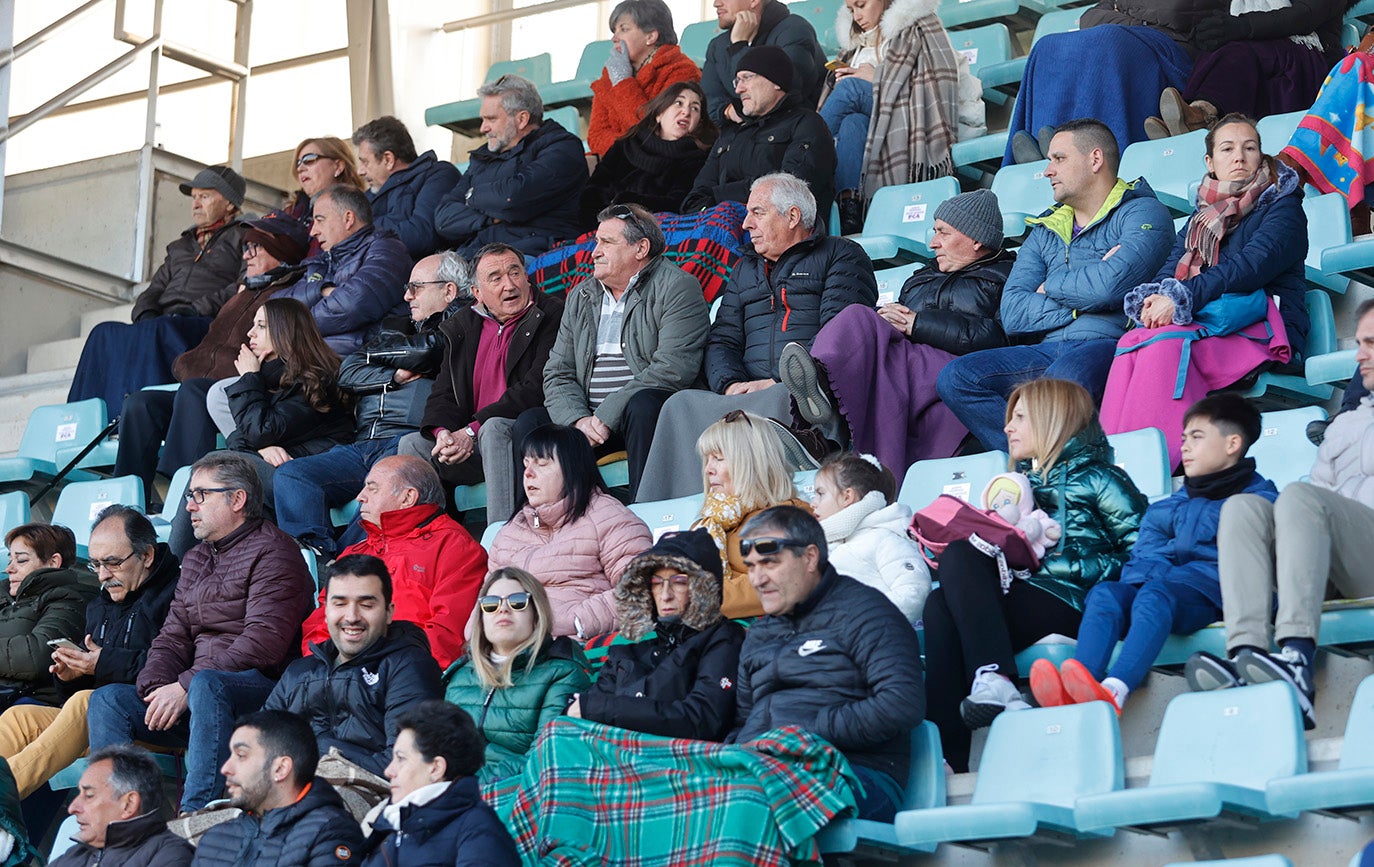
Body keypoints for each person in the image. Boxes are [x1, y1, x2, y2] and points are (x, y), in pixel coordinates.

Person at [923, 379, 1146, 772]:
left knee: (953, 589)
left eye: (1020, 417)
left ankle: (993, 684)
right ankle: (947, 760)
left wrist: (1072, 566)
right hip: (1030, 593)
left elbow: (1143, 555)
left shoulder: (1101, 478)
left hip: (1076, 600)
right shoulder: (1014, 489)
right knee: (941, 599)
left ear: (1052, 420)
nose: (1007, 427)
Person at [86, 452, 315, 814]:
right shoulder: (195, 558)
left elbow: (264, 644)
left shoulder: (276, 552)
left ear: (237, 500)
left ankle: (198, 815)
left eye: (200, 495)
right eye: (189, 496)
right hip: (199, 694)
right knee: (108, 700)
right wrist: (156, 687)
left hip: (261, 693)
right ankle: (125, 819)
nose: (189, 506)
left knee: (210, 683)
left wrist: (185, 685)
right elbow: (172, 636)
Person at [1185, 300, 1374, 730]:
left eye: (1371, 344)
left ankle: (1296, 659)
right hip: (1343, 550)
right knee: (1244, 508)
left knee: (1299, 497)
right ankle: (1247, 656)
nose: (1359, 354)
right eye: (1359, 343)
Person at [936, 119, 1174, 452]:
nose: (1048, 170)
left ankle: (1059, 468)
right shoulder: (1047, 227)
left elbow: (1109, 287)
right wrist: (1090, 290)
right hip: (1046, 349)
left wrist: (1050, 286)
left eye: (1058, 158)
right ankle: (1032, 463)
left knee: (1061, 382)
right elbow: (1014, 312)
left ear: (1095, 160)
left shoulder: (1144, 212)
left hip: (1111, 344)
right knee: (956, 378)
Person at [637, 173, 877, 502]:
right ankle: (663, 515)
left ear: (793, 216)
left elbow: (841, 332)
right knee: (678, 405)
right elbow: (722, 339)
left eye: (757, 213)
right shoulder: (744, 269)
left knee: (783, 395)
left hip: (802, 387)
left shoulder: (842, 254)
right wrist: (730, 383)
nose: (746, 223)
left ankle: (804, 456)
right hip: (747, 390)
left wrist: (779, 379)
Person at [1032, 394, 1275, 715]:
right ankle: (1084, 682)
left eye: (1197, 437)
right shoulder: (1167, 507)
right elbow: (1142, 562)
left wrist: (1164, 579)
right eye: (1184, 437)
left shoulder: (1258, 502)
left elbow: (1246, 568)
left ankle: (1115, 690)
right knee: (1106, 593)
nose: (1185, 446)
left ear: (1232, 444)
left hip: (1212, 597)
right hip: (1163, 593)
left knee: (1153, 595)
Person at [1101, 114, 1308, 467]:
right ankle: (1114, 462)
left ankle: (1161, 464)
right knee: (1131, 342)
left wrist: (1181, 298)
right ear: (1211, 163)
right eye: (1227, 149)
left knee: (1166, 343)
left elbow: (1249, 268)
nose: (1239, 157)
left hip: (1262, 326)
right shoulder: (1201, 218)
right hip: (1210, 323)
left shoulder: (1284, 207)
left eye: (1250, 148)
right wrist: (1155, 298)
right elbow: (1171, 267)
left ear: (1261, 156)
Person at [780, 188, 1013, 484]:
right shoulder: (924, 276)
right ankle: (822, 398)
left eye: (943, 232)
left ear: (975, 238)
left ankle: (824, 426)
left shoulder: (1006, 276)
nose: (932, 243)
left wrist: (918, 324)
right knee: (861, 319)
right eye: (934, 231)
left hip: (962, 366)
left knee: (863, 331)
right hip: (911, 362)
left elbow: (998, 336)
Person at [730, 505, 924, 821]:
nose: (757, 579)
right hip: (766, 769)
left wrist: (806, 733)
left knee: (750, 802)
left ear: (809, 557)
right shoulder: (759, 633)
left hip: (857, 772)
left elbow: (902, 703)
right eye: (750, 567)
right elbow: (742, 719)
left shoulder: (866, 612)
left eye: (769, 563)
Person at [272, 252, 470, 556]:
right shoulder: (395, 326)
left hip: (409, 440)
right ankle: (320, 558)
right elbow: (347, 371)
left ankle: (348, 561)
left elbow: (430, 350)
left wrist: (375, 354)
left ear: (449, 291)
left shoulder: (463, 324)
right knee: (292, 475)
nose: (407, 295)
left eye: (416, 287)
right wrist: (393, 377)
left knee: (379, 490)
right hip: (363, 444)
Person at [112, 212, 312, 506]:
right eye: (245, 247)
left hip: (245, 388)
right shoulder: (242, 292)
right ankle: (127, 502)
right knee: (140, 403)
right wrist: (185, 363)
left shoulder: (290, 295)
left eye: (256, 247)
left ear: (280, 252)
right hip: (200, 385)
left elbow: (283, 355)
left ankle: (188, 490)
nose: (247, 255)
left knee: (194, 392)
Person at [527, 204, 709, 499]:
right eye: (596, 242)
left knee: (644, 404)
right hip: (589, 424)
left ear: (640, 249)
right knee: (530, 424)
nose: (594, 251)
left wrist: (606, 415)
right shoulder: (581, 295)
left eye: (607, 243)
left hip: (639, 419)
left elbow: (674, 368)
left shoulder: (677, 286)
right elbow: (557, 372)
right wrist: (578, 421)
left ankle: (646, 511)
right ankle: (547, 526)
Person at [0, 507, 178, 798]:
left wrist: (101, 664)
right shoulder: (101, 604)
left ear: (146, 555)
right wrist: (72, 675)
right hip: (102, 719)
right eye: (96, 565)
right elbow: (75, 696)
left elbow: (171, 664)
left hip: (156, 720)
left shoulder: (176, 594)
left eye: (113, 563)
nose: (104, 576)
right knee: (20, 718)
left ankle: (3, 793)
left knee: (88, 702)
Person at [165, 297, 354, 558]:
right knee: (220, 484)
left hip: (307, 478)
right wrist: (264, 447)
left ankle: (174, 565)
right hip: (279, 473)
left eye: (261, 326)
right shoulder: (270, 379)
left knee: (213, 467)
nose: (250, 333)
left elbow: (258, 432)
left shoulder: (316, 379)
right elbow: (246, 438)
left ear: (284, 332)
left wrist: (249, 379)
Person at [398, 243, 565, 524]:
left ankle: (502, 537)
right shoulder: (463, 325)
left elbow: (536, 387)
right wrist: (443, 434)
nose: (509, 285)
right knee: (412, 445)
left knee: (494, 428)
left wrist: (471, 432)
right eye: (496, 278)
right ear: (477, 293)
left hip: (523, 435)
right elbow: (444, 392)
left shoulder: (552, 314)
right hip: (471, 440)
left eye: (515, 273)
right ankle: (436, 546)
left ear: (527, 277)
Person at [68, 165, 248, 409]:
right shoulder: (180, 246)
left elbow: (243, 286)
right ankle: (83, 418)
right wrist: (145, 313)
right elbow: (155, 289)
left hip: (205, 321)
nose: (195, 204)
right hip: (167, 322)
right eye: (194, 197)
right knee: (103, 333)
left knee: (158, 331)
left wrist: (196, 309)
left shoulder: (244, 236)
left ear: (229, 203)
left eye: (204, 196)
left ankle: (138, 417)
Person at [296, 457, 488, 668]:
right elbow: (318, 626)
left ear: (407, 498)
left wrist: (379, 673)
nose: (360, 497)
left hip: (409, 680)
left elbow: (448, 636)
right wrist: (330, 669)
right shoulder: (356, 552)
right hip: (341, 678)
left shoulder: (455, 547)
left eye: (372, 488)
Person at [265, 555, 441, 777]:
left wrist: (317, 753)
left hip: (370, 795)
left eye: (366, 605)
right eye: (340, 604)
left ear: (389, 612)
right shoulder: (299, 672)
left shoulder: (409, 667)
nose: (352, 617)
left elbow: (405, 763)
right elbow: (259, 749)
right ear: (326, 611)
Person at [573, 528, 746, 741]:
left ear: (702, 588)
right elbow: (582, 717)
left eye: (679, 582)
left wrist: (602, 708)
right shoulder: (628, 652)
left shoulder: (723, 640)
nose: (665, 595)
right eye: (656, 583)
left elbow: (703, 719)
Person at [488, 425, 653, 638]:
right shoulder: (509, 533)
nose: (528, 473)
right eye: (526, 464)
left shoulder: (607, 515)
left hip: (576, 649)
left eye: (542, 463)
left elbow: (641, 588)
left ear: (572, 468)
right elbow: (488, 598)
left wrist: (577, 621)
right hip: (512, 649)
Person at [819, 0, 967, 232]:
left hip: (909, 113)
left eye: (861, 5)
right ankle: (849, 208)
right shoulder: (854, 47)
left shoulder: (920, 25)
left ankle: (803, 146)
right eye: (850, 10)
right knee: (852, 123)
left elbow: (933, 86)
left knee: (850, 90)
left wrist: (877, 76)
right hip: (873, 124)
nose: (856, 16)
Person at [1003, 1, 1208, 164]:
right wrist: (1139, 17)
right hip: (1134, 36)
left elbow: (1175, 11)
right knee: (1045, 47)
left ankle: (1100, 154)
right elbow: (1090, 17)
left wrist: (1123, 10)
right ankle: (1054, 148)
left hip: (1173, 46)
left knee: (1110, 39)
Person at [442, 569, 590, 785]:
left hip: (516, 795)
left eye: (517, 601)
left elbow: (543, 761)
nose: (502, 609)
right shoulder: (460, 675)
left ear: (536, 615)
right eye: (491, 604)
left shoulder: (563, 673)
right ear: (481, 618)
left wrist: (462, 785)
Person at [434, 75, 588, 258]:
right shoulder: (484, 155)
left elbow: (512, 198)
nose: (483, 128)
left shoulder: (562, 147)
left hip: (534, 255)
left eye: (491, 119)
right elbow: (444, 219)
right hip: (478, 254)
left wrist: (471, 196)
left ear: (522, 119)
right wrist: (491, 217)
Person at [1146, 0, 1348, 138]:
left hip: (1309, 58)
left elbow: (1304, 16)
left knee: (1239, 53)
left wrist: (1242, 26)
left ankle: (1200, 116)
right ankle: (1188, 121)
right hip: (1261, 45)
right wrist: (1208, 31)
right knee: (1217, 52)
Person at [683, 46, 838, 221]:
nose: (738, 89)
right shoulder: (731, 131)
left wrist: (719, 198)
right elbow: (695, 197)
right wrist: (713, 211)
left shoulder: (807, 123)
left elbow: (792, 188)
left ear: (776, 82)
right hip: (721, 226)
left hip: (781, 234)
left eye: (746, 78)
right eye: (737, 81)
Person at [192, 711, 364, 866]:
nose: (225, 768)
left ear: (280, 768)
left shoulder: (331, 831)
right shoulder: (216, 837)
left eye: (241, 756)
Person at [359, 701, 520, 866]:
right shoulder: (391, 822)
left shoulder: (480, 830)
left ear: (436, 768)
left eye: (401, 759)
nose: (388, 771)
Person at [691, 410, 811, 619]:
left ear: (753, 463)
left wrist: (688, 597)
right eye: (707, 460)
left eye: (718, 458)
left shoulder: (788, 518)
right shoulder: (709, 523)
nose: (708, 469)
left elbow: (776, 584)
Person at [278, 184, 413, 355]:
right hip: (316, 360)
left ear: (348, 219)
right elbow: (278, 302)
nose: (313, 231)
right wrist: (322, 290)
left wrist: (289, 328)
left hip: (356, 363)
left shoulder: (388, 250)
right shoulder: (322, 261)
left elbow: (352, 304)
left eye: (320, 220)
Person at [810, 453, 929, 623]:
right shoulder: (822, 546)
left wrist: (862, 621)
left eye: (821, 494)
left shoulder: (883, 537)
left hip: (874, 640)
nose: (813, 503)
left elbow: (914, 591)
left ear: (847, 497)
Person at [580, 81, 717, 227]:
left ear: (698, 123)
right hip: (602, 227)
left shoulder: (697, 159)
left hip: (654, 230)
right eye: (678, 103)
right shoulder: (627, 143)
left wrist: (627, 203)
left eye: (695, 108)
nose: (686, 112)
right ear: (659, 113)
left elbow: (678, 203)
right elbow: (593, 190)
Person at [587, 0, 702, 158]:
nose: (614, 37)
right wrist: (634, 149)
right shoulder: (611, 73)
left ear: (651, 36)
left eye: (624, 29)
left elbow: (657, 133)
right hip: (621, 165)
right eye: (614, 30)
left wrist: (623, 83)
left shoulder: (681, 70)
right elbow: (596, 137)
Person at [0, 523, 97, 709]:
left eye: (21, 560)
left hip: (31, 701)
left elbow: (38, 655)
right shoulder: (5, 595)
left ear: (53, 562)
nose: (9, 569)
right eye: (10, 559)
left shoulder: (72, 597)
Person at [51, 744, 193, 867]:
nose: (72, 808)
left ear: (129, 804)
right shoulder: (76, 854)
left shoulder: (169, 855)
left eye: (89, 795)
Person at [701, 0, 826, 126]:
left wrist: (739, 46)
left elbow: (787, 89)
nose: (716, 3)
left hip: (790, 132)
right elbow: (707, 103)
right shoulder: (717, 46)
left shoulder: (794, 29)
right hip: (739, 136)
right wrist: (727, 111)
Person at [352, 115, 461, 259]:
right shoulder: (369, 195)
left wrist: (361, 233)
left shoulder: (438, 175)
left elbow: (422, 235)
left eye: (365, 162)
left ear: (388, 159)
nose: (360, 171)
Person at [286, 136, 369, 256]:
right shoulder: (290, 213)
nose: (300, 168)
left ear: (338, 166)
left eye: (309, 160)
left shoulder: (364, 209)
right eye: (298, 163)